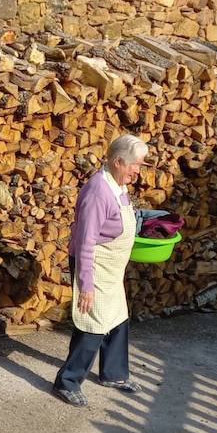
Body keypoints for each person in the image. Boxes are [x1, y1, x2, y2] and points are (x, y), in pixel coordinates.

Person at [52, 134, 149, 407]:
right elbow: (84, 242)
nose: (138, 171)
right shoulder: (97, 192)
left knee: (118, 319)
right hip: (93, 265)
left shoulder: (118, 184)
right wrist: (86, 285)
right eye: (135, 165)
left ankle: (114, 375)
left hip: (111, 270)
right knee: (92, 322)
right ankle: (67, 381)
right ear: (118, 162)